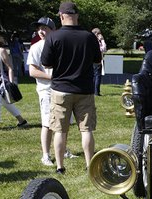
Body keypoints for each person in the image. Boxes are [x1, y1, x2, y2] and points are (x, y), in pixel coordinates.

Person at [41, 2, 102, 174]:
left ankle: (60, 167)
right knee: (86, 129)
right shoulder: (89, 37)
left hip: (61, 89)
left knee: (60, 130)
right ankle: (90, 165)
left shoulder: (54, 37)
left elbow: (46, 62)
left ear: (61, 16)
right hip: (84, 89)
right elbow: (97, 60)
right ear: (77, 16)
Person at [27, 17, 57, 166]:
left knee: (62, 123)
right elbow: (32, 71)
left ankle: (63, 150)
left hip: (61, 89)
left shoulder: (59, 45)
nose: (41, 31)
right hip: (46, 90)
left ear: (53, 30)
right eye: (39, 28)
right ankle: (46, 155)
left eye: (44, 28)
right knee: (47, 124)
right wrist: (52, 77)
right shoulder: (36, 47)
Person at [91, 28, 107, 96]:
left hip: (91, 60)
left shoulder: (91, 40)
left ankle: (93, 91)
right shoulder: (97, 41)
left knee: (94, 76)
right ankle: (96, 92)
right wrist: (102, 40)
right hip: (97, 60)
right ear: (97, 34)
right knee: (97, 76)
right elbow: (103, 49)